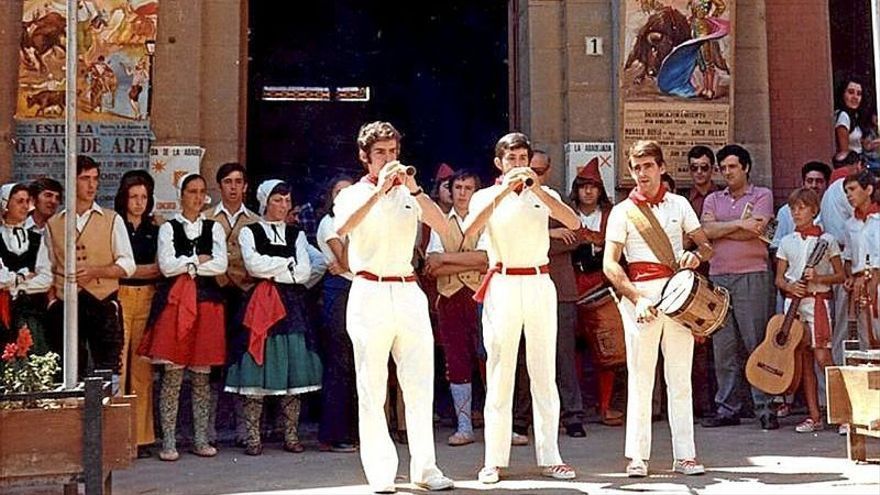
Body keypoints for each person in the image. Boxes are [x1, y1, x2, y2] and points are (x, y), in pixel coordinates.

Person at [334, 121, 453, 493]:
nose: (389, 159)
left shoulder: (408, 193)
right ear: (365, 157)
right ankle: (382, 473)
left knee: (420, 384)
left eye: (392, 152)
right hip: (369, 290)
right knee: (372, 386)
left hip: (407, 289)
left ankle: (426, 468)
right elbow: (344, 227)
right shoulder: (353, 193)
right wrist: (379, 190)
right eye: (380, 153)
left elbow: (443, 228)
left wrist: (413, 189)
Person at [463, 132, 581, 484]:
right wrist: (504, 190)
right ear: (499, 163)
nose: (518, 165)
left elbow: (574, 223)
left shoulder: (543, 194)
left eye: (522, 158)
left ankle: (551, 455)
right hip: (503, 281)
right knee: (501, 372)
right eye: (511, 159)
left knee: (544, 371)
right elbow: (469, 231)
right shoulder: (486, 195)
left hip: (539, 281)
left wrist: (538, 188)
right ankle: (493, 459)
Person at [603, 140, 712, 477]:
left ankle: (686, 455)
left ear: (662, 168)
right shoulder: (622, 211)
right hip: (641, 296)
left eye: (648, 166)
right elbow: (610, 264)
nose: (642, 174)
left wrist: (696, 255)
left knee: (680, 376)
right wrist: (636, 298)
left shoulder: (679, 204)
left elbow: (705, 245)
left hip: (679, 295)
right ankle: (638, 456)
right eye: (636, 168)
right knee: (640, 376)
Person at [225, 179, 322, 456]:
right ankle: (254, 438)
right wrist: (287, 265)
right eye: (278, 200)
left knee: (293, 368)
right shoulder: (249, 232)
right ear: (265, 201)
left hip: (291, 307)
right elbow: (254, 266)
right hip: (261, 306)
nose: (283, 205)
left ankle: (291, 435)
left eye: (287, 200)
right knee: (256, 368)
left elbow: (304, 272)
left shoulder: (297, 235)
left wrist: (276, 268)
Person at [137, 173, 227, 461]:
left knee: (201, 377)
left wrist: (185, 266)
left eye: (202, 192)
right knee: (172, 376)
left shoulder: (214, 228)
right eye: (192, 191)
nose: (197, 197)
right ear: (182, 195)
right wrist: (197, 262)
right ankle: (169, 441)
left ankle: (201, 439)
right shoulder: (168, 228)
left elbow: (221, 265)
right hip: (175, 305)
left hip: (207, 304)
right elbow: (166, 265)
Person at [510, 150, 588, 440]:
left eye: (541, 171)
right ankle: (521, 418)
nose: (535, 175)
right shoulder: (508, 198)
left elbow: (577, 236)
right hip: (522, 287)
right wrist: (551, 234)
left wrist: (546, 238)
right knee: (522, 359)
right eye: (531, 168)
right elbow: (511, 240)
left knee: (563, 356)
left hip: (560, 288)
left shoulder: (554, 198)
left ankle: (573, 416)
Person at [701, 144, 778, 430]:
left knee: (756, 341)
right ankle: (727, 408)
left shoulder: (762, 195)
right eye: (723, 168)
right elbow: (706, 231)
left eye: (732, 167)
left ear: (745, 167)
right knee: (724, 347)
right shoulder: (712, 199)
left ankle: (765, 407)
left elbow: (758, 229)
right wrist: (740, 224)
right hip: (719, 277)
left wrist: (724, 228)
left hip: (752, 275)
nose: (727, 172)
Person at [44, 156, 135, 383]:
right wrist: (53, 300)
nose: (92, 185)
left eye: (95, 179)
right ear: (71, 181)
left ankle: (106, 417)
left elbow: (128, 264)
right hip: (67, 307)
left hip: (102, 304)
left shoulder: (112, 220)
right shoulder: (54, 223)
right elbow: (47, 268)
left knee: (108, 370)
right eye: (85, 178)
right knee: (67, 370)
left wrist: (97, 271)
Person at [424, 169, 488, 446]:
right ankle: (464, 426)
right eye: (458, 187)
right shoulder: (440, 223)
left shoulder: (485, 221)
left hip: (480, 296)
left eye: (468, 188)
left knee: (489, 359)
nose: (462, 193)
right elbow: (431, 266)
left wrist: (447, 260)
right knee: (456, 359)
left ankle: (500, 424)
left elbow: (486, 260)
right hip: (449, 298)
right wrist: (467, 259)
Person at [774, 188, 844, 433]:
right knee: (802, 359)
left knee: (823, 358)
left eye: (802, 207)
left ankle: (844, 414)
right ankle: (814, 416)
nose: (796, 212)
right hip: (794, 304)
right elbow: (779, 279)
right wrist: (790, 285)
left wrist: (820, 278)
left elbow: (840, 275)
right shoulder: (786, 241)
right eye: (793, 208)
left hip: (818, 302)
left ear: (814, 210)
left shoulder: (828, 241)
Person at [205, 162, 259, 446]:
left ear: (246, 186)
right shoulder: (206, 218)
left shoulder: (256, 221)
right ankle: (208, 428)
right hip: (214, 292)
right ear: (220, 185)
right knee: (212, 361)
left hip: (244, 294)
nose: (234, 187)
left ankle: (243, 428)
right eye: (228, 181)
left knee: (241, 359)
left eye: (239, 181)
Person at [568, 160, 623, 426]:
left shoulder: (612, 214)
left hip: (603, 289)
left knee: (608, 350)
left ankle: (605, 406)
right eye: (583, 187)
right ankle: (574, 409)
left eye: (594, 187)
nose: (588, 192)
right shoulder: (565, 213)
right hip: (570, 288)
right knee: (571, 351)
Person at [113, 170, 161, 458]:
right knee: (118, 368)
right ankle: (118, 437)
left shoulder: (155, 230)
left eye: (144, 197)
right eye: (134, 197)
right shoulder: (115, 227)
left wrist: (130, 269)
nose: (139, 202)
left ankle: (141, 438)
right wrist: (131, 270)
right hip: (120, 296)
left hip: (147, 297)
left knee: (141, 370)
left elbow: (157, 268)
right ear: (124, 198)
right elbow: (114, 265)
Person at [315, 175, 359, 453]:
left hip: (358, 288)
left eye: (348, 192)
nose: (343, 196)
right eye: (338, 192)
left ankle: (354, 431)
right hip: (339, 291)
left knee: (357, 362)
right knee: (340, 362)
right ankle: (334, 434)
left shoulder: (359, 223)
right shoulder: (328, 223)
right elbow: (345, 260)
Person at [0, 184, 52, 355]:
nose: (24, 206)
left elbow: (46, 278)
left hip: (32, 313)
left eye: (27, 201)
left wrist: (16, 287)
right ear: (5, 205)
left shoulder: (37, 239)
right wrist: (22, 276)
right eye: (19, 201)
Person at [842, 171, 880, 349]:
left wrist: (873, 278)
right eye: (846, 191)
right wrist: (849, 277)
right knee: (865, 339)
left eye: (852, 189)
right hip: (859, 285)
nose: (849, 195)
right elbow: (849, 257)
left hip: (876, 282)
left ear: (869, 189)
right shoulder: (850, 224)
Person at [771, 161, 832, 249]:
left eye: (819, 181)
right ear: (803, 183)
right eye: (810, 181)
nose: (814, 185)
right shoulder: (785, 211)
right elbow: (775, 245)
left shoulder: (832, 209)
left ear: (827, 184)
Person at [833, 76, 877, 158]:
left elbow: (859, 146)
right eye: (850, 92)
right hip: (852, 166)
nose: (855, 97)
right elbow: (844, 153)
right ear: (842, 93)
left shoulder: (854, 116)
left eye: (859, 94)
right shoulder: (843, 116)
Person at [686, 146, 718, 219]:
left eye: (704, 167)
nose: (699, 172)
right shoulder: (682, 199)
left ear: (712, 169)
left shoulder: (724, 195)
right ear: (689, 170)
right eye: (694, 168)